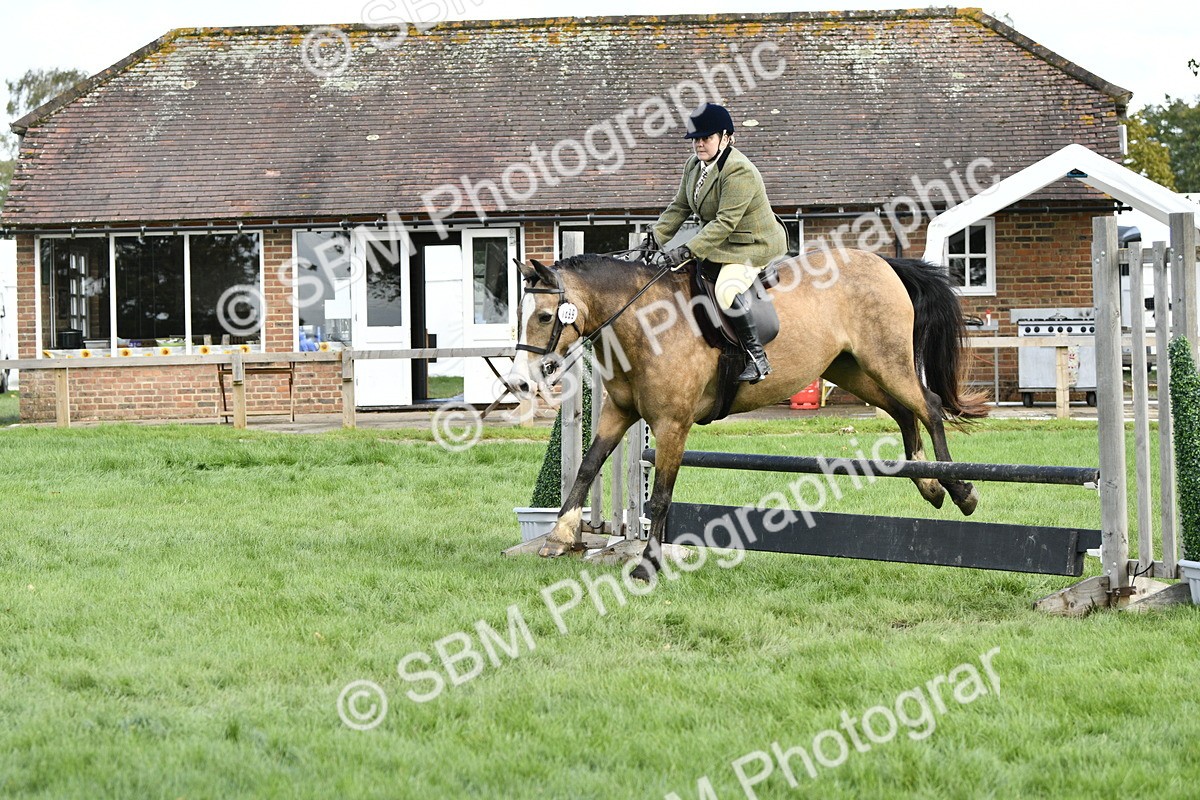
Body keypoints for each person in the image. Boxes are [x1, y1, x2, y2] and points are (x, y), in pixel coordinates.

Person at [643, 103, 788, 383]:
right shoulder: (694, 166)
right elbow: (679, 206)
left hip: (750, 245)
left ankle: (757, 357)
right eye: (696, 139)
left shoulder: (739, 170)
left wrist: (687, 249)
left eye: (706, 138)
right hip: (722, 243)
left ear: (726, 137)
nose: (699, 144)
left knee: (725, 290)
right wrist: (655, 238)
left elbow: (725, 222)